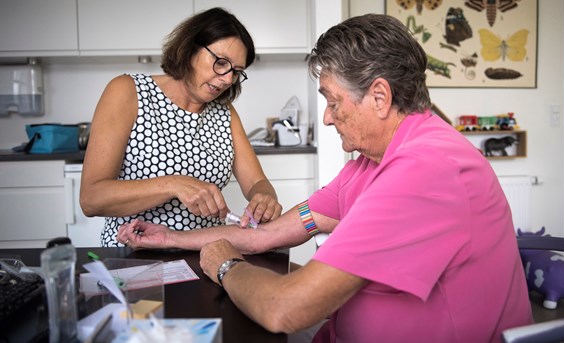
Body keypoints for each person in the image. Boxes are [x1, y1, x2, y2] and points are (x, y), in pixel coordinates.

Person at [118, 13, 533, 342]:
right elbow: (267, 235)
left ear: (380, 97)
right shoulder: (371, 161)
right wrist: (170, 238)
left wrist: (225, 264)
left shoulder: (425, 171)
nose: (328, 117)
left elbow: (285, 309)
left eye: (333, 101)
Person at [80, 8, 282, 247]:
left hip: (206, 255)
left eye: (236, 72)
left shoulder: (224, 112)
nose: (228, 79)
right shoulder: (128, 91)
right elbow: (92, 199)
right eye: (220, 63)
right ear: (190, 49)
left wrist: (265, 198)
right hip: (133, 256)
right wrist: (173, 184)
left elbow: (257, 182)